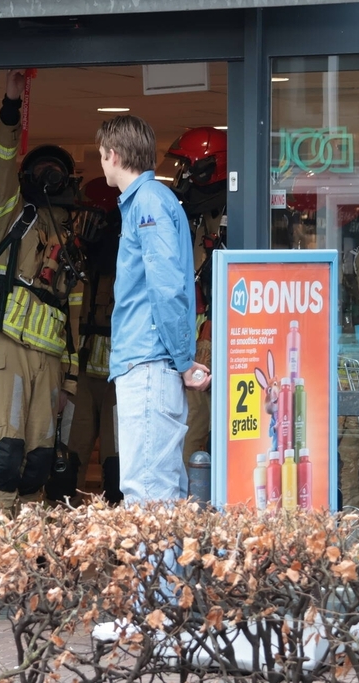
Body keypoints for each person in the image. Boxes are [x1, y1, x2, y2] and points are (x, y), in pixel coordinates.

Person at [0, 69, 82, 511]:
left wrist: (69, 381)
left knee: (37, 464)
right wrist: (11, 104)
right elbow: (1, 160)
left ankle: (24, 570)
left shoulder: (68, 241)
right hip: (6, 350)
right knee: (4, 458)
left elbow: (71, 318)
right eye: (45, 169)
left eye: (60, 173)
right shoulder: (8, 213)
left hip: (49, 362)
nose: (51, 178)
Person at [96, 115, 211, 504]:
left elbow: (166, 288)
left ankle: (152, 569)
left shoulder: (147, 203)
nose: (101, 163)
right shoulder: (153, 201)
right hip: (151, 365)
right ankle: (168, 566)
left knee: (147, 497)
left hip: (148, 365)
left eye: (101, 155)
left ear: (113, 155)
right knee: (163, 495)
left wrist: (183, 361)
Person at [159, 126, 228, 469]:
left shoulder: (237, 215)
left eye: (188, 167)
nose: (182, 176)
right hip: (200, 342)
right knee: (192, 435)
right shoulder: (197, 219)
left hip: (231, 340)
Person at [55, 177, 123, 505]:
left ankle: (116, 535)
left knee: (116, 463)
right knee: (70, 458)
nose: (85, 226)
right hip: (81, 375)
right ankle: (64, 526)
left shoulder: (129, 264)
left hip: (119, 379)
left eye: (92, 217)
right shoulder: (77, 265)